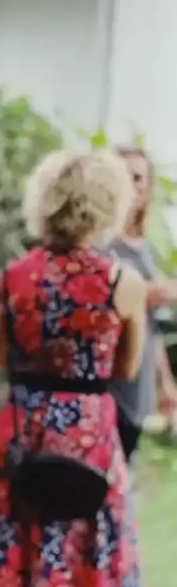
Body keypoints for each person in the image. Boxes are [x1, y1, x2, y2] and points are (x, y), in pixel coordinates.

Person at [0, 148, 167, 587]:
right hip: (88, 429)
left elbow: (7, 359)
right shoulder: (124, 283)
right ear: (108, 204)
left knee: (24, 563)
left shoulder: (14, 276)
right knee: (92, 569)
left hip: (25, 427)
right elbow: (127, 366)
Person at [108, 145, 177, 460]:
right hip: (109, 384)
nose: (132, 184)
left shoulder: (143, 246)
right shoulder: (100, 241)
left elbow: (152, 324)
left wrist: (165, 382)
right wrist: (152, 291)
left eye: (138, 178)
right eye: (124, 175)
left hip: (140, 381)